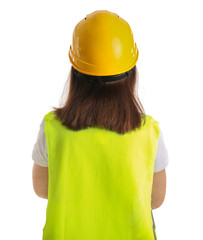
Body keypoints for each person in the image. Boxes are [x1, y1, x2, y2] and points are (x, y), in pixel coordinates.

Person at [32, 10, 169, 240]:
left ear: (75, 73)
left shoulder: (52, 129)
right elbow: (156, 199)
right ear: (131, 73)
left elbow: (41, 188)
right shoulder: (149, 132)